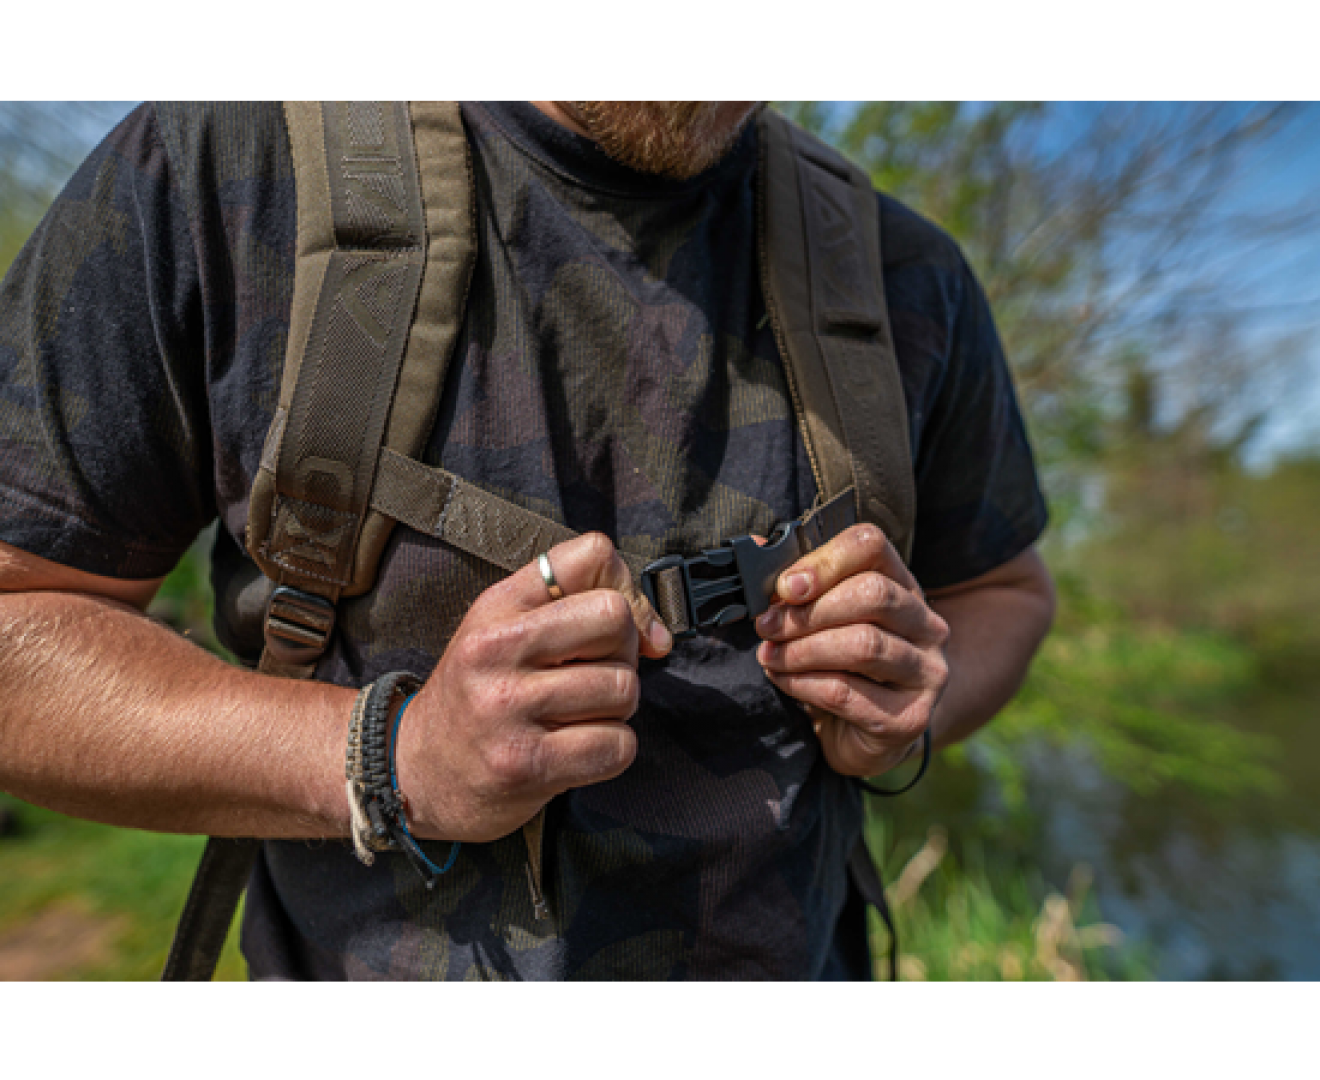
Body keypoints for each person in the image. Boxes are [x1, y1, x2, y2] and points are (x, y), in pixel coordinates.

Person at [0, 100, 1056, 982]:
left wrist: (914, 691)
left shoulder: (899, 272)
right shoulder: (231, 163)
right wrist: (391, 760)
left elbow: (1006, 589)